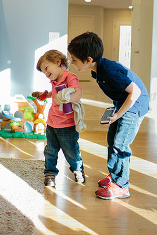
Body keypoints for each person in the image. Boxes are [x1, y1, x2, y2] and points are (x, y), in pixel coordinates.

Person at [68, 32, 149, 200]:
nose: (72, 62)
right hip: (123, 102)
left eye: (74, 59)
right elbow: (121, 90)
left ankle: (121, 186)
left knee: (121, 144)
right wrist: (116, 109)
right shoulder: (99, 69)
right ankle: (114, 176)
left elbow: (136, 92)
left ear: (88, 59)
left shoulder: (110, 70)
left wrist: (119, 113)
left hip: (135, 105)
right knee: (112, 140)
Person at [36, 50, 85, 187]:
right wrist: (46, 95)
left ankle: (78, 170)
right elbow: (55, 93)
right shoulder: (54, 80)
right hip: (52, 123)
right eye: (43, 72)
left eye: (46, 69)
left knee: (71, 152)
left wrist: (66, 99)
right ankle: (50, 173)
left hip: (67, 125)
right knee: (50, 151)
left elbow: (78, 92)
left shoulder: (70, 77)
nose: (46, 74)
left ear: (58, 62)